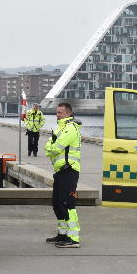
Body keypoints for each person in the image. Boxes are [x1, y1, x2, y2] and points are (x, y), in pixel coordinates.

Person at [44, 102, 82, 248]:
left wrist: (52, 148)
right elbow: (48, 147)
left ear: (68, 113)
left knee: (67, 203)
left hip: (69, 170)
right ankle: (62, 234)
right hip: (60, 171)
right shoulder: (60, 128)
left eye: (60, 112)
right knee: (57, 203)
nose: (57, 115)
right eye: (57, 112)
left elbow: (55, 148)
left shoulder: (70, 128)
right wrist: (52, 147)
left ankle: (73, 238)